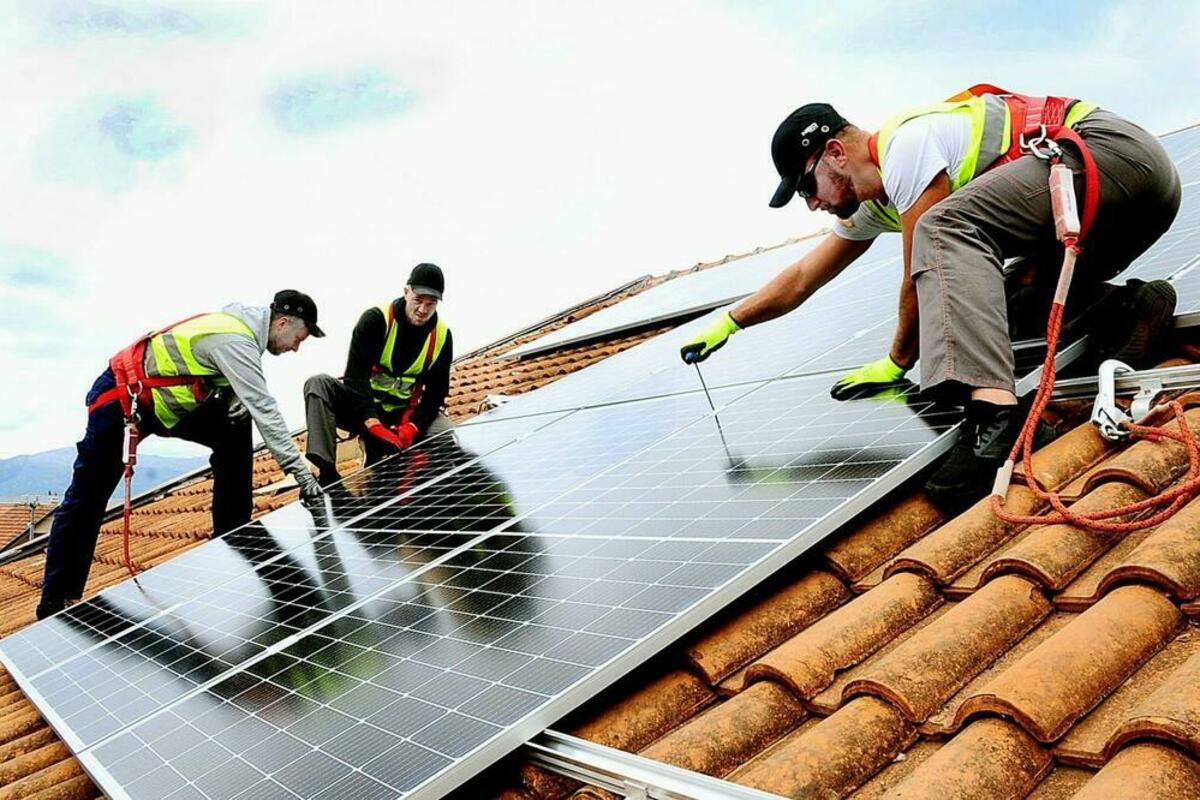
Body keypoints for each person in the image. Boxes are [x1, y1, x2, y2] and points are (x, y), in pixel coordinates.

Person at [680, 88, 1181, 509]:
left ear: (835, 153)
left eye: (807, 186)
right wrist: (731, 322)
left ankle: (995, 417)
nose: (812, 204)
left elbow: (921, 269)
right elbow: (802, 277)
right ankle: (1126, 312)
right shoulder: (871, 205)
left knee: (943, 231)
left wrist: (899, 360)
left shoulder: (906, 146)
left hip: (1110, 156)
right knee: (989, 304)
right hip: (1111, 209)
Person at [38, 290, 326, 619]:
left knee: (235, 426)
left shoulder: (240, 333)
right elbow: (266, 410)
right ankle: (56, 602)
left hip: (162, 407)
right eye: (298, 339)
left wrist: (232, 398)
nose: (295, 348)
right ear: (283, 322)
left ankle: (233, 534)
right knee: (88, 497)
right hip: (121, 398)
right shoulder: (235, 339)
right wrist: (302, 476)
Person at [304, 263, 454, 485]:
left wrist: (413, 426)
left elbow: (436, 393)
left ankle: (416, 480)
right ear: (406, 292)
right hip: (361, 409)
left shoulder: (441, 336)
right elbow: (355, 377)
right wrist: (371, 422)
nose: (423, 309)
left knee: (446, 432)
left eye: (431, 303)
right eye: (418, 300)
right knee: (318, 384)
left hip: (402, 417)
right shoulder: (376, 320)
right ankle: (327, 472)